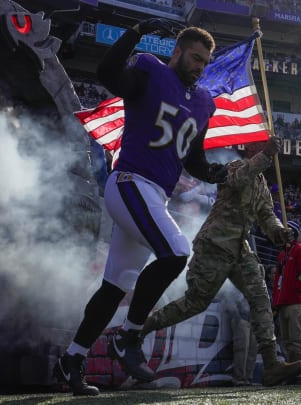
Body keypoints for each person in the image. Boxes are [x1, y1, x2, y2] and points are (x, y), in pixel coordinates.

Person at [53, 19, 226, 396]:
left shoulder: (202, 103)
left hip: (154, 195)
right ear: (177, 52)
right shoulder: (151, 71)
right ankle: (129, 337)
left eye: (205, 62)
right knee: (177, 252)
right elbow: (107, 73)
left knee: (114, 286)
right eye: (195, 58)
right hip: (130, 181)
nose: (199, 66)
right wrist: (134, 33)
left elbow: (192, 158)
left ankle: (72, 358)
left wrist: (212, 172)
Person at [139, 139, 301, 387]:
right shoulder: (234, 167)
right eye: (261, 147)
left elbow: (267, 216)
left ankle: (271, 364)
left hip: (239, 248)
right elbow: (237, 181)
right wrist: (266, 156)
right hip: (215, 243)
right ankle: (140, 330)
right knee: (195, 303)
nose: (266, 150)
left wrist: (279, 232)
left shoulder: (261, 184)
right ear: (251, 150)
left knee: (260, 297)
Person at [272, 221, 301, 384]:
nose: (282, 237)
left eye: (285, 233)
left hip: (295, 302)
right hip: (283, 303)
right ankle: (294, 370)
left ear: (293, 234)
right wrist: (276, 301)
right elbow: (277, 280)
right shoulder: (282, 254)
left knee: (296, 338)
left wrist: (297, 289)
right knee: (286, 339)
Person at [221, 287, 257, 386]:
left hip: (253, 320)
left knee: (252, 351)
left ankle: (248, 379)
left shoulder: (254, 283)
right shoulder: (235, 284)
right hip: (242, 319)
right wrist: (237, 317)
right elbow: (229, 300)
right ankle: (239, 379)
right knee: (242, 349)